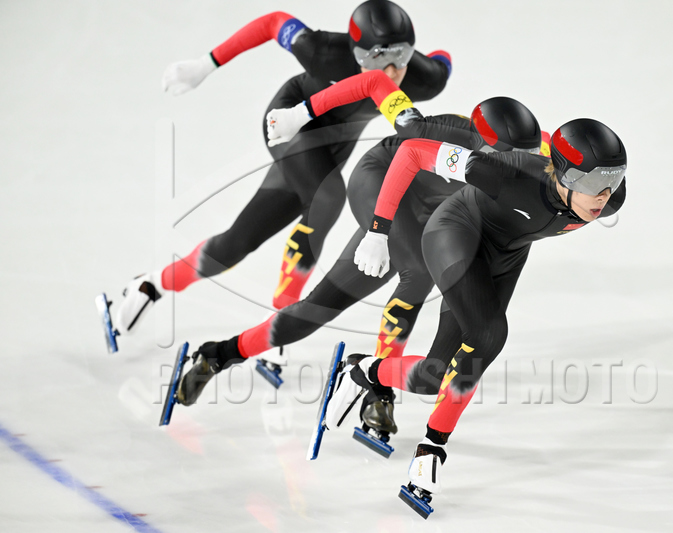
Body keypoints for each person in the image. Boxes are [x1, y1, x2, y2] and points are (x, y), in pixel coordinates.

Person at [265, 67, 628, 505]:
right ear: (564, 176)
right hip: (455, 231)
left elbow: (565, 151)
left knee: (433, 376)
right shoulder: (500, 172)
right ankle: (430, 451)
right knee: (489, 333)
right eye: (594, 183)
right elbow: (412, 150)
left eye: (612, 181)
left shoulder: (601, 193)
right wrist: (378, 232)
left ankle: (361, 370)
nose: (604, 196)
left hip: (505, 253)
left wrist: (594, 175)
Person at [173, 95, 548, 449]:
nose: (513, 173)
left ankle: (217, 353)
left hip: (434, 221)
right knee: (412, 275)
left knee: (314, 311)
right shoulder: (450, 137)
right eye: (504, 160)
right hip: (385, 190)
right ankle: (373, 389)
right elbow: (393, 130)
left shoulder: (536, 159)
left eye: (525, 160)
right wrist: (378, 231)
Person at [109, 0, 452, 342]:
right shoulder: (323, 52)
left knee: (238, 242)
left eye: (401, 55)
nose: (389, 71)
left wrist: (429, 61)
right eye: (375, 57)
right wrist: (206, 63)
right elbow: (274, 22)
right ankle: (283, 312)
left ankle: (152, 284)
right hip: (290, 122)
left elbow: (442, 60)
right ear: (355, 53)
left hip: (333, 148)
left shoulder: (424, 78)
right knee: (329, 195)